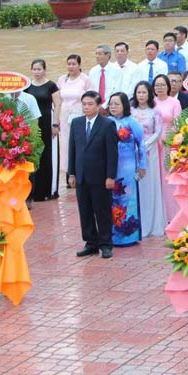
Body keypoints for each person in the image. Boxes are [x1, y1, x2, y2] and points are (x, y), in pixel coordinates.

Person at [68, 91, 118, 259]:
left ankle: (105, 243)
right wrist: (72, 173)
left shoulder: (107, 124)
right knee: (85, 210)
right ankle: (91, 242)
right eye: (84, 104)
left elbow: (112, 153)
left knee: (102, 210)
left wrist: (110, 176)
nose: (87, 107)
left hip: (100, 176)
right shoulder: (76, 123)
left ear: (98, 106)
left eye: (90, 104)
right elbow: (72, 150)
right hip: (81, 175)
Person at [107, 92, 144, 246]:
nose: (113, 107)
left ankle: (129, 235)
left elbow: (141, 144)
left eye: (117, 104)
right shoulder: (106, 122)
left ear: (124, 106)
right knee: (112, 200)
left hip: (127, 169)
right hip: (110, 168)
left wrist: (142, 166)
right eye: (111, 104)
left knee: (127, 200)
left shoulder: (132, 122)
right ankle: (113, 235)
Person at [130, 80, 165, 238]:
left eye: (144, 92)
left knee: (150, 185)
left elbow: (157, 132)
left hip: (150, 151)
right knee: (136, 186)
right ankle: (136, 223)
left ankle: (152, 224)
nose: (141, 95)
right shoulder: (130, 111)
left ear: (149, 94)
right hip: (132, 151)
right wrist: (135, 145)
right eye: (139, 92)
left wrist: (143, 145)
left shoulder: (155, 111)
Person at [25, 60, 61, 201]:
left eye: (39, 69)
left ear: (45, 70)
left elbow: (57, 105)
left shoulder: (51, 86)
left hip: (47, 121)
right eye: (34, 69)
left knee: (48, 155)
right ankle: (34, 191)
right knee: (35, 154)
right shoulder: (27, 86)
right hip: (33, 123)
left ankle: (50, 190)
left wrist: (55, 124)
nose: (37, 72)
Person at [58, 54, 93, 185]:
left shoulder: (85, 79)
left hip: (80, 113)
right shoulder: (62, 79)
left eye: (74, 64)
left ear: (79, 65)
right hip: (65, 114)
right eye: (69, 64)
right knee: (67, 143)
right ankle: (69, 173)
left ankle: (82, 173)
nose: (71, 66)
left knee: (81, 143)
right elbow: (57, 98)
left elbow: (92, 97)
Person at [152, 74, 182, 223]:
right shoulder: (151, 103)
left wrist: (171, 141)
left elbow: (178, 125)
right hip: (152, 145)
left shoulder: (174, 102)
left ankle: (173, 215)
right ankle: (158, 215)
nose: (160, 88)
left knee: (168, 181)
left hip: (169, 146)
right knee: (155, 180)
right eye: (157, 85)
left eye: (163, 85)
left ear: (168, 86)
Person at [88, 44, 121, 108]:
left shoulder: (117, 70)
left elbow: (117, 91)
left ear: (107, 55)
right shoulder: (93, 71)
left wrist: (104, 106)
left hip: (111, 106)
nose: (97, 56)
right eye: (96, 54)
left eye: (100, 54)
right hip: (95, 106)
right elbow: (91, 89)